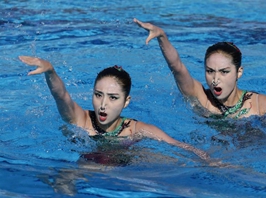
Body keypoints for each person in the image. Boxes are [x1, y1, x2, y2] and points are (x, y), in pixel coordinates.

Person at [19, 56, 210, 163]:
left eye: (113, 98)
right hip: (90, 166)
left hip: (127, 162)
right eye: (98, 95)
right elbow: (62, 96)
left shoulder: (134, 129)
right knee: (67, 178)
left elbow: (179, 146)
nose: (103, 104)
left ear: (126, 102)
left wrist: (211, 162)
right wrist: (50, 71)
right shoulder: (82, 119)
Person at [133, 18, 266, 119]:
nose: (215, 79)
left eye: (224, 72)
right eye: (210, 71)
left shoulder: (259, 105)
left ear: (239, 72)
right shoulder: (201, 98)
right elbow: (177, 67)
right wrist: (162, 36)